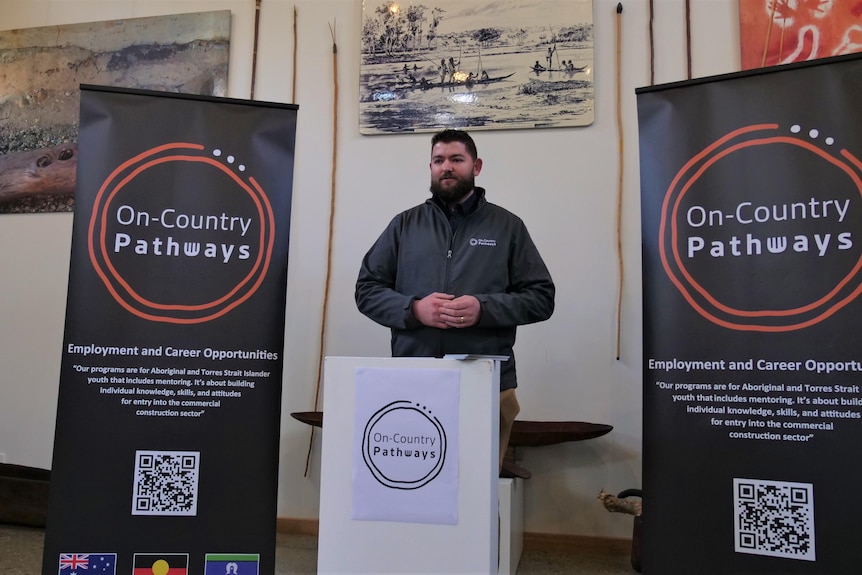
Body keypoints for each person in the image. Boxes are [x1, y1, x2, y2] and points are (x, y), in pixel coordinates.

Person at [355, 129, 555, 473]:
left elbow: (541, 297)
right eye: (438, 160)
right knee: (418, 482)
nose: (446, 167)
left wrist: (484, 309)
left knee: (478, 486)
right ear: (430, 167)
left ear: (476, 166)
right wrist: (414, 309)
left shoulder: (508, 227)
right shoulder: (404, 225)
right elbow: (367, 289)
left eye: (456, 159)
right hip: (414, 378)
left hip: (487, 380)